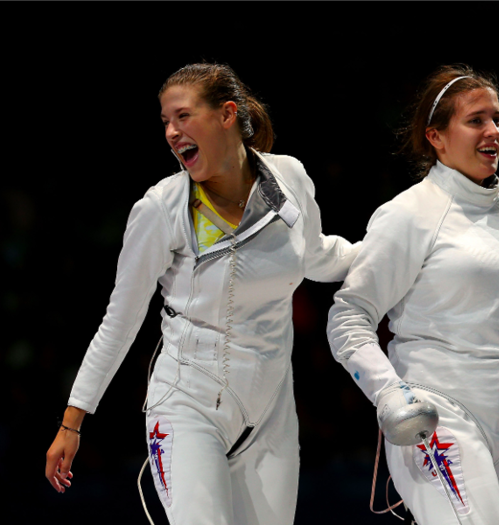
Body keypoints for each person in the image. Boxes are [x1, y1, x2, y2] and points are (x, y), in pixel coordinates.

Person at [45, 62, 360, 525]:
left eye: (182, 116)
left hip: (271, 414)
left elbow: (316, 256)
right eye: (166, 123)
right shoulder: (161, 209)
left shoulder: (289, 179)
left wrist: (396, 256)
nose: (172, 132)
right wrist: (72, 421)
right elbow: (120, 320)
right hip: (186, 407)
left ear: (227, 114)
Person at [326, 64, 499, 525]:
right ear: (436, 137)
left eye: (498, 119)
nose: (493, 131)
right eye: (476, 120)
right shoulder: (408, 213)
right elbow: (348, 317)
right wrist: (389, 394)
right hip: (436, 413)